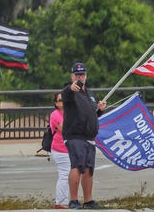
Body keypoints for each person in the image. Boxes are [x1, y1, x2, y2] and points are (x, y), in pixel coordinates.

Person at [61, 63, 107, 209]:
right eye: (77, 74)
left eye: (82, 74)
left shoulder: (89, 93)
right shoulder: (70, 91)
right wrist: (70, 87)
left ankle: (88, 200)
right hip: (75, 135)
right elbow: (65, 94)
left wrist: (99, 110)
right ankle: (73, 200)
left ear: (86, 75)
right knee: (77, 166)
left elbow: (91, 113)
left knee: (88, 169)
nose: (80, 77)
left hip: (89, 136)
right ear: (72, 76)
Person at [50, 92, 70, 209]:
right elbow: (64, 128)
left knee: (70, 175)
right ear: (56, 103)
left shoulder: (70, 113)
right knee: (64, 174)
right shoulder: (55, 115)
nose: (63, 102)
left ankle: (66, 200)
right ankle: (60, 202)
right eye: (60, 100)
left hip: (70, 148)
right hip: (60, 149)